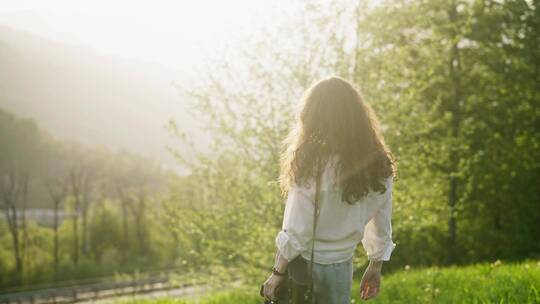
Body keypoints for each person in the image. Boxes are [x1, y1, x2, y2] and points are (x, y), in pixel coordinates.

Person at [262, 76, 397, 303]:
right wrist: (375, 266)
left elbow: (297, 229)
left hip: (306, 269)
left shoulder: (312, 163)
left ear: (313, 116)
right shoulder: (378, 164)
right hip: (343, 267)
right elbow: (381, 221)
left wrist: (277, 272)